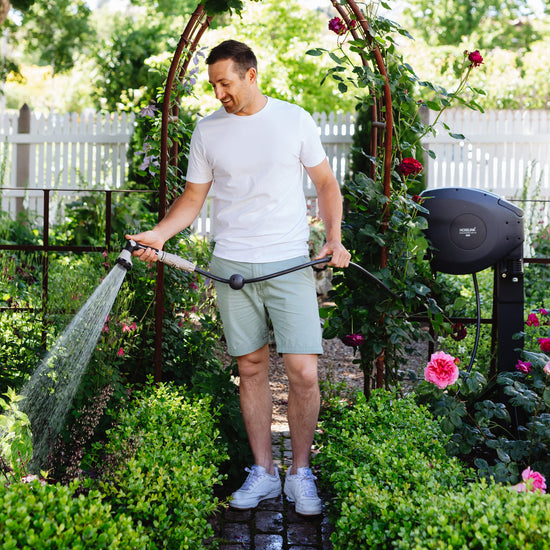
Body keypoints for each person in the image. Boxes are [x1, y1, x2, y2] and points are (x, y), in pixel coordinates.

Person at [128, 39, 350, 516]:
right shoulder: (208, 131)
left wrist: (333, 238)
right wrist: (159, 235)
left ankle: (300, 472)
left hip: (288, 260)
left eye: (225, 83)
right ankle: (265, 472)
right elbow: (192, 199)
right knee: (249, 367)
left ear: (252, 74)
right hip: (232, 263)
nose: (218, 94)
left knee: (304, 371)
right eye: (213, 85)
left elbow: (327, 185)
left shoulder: (294, 119)